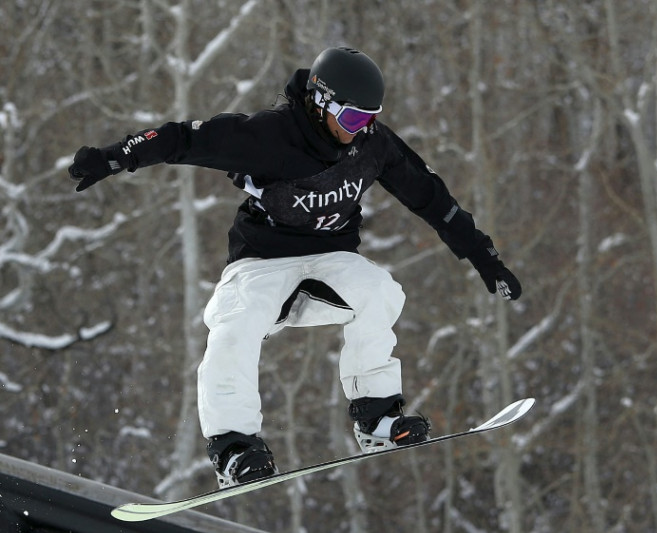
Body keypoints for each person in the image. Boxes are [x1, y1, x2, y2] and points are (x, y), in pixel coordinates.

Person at [67, 46, 522, 488]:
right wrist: (117, 154)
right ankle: (234, 447)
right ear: (322, 103)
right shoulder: (269, 136)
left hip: (331, 261)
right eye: (351, 118)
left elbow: (431, 196)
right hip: (262, 261)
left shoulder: (371, 145)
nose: (360, 129)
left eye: (370, 118)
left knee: (380, 291)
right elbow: (184, 138)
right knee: (235, 323)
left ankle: (377, 418)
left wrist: (484, 255)